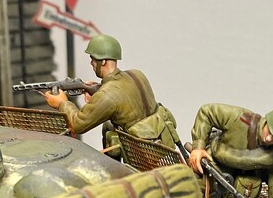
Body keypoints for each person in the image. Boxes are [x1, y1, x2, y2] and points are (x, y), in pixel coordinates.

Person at [44, 34, 178, 149]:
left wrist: (62, 103)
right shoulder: (137, 74)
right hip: (163, 142)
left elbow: (77, 125)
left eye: (93, 59)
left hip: (142, 154)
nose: (91, 63)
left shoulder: (107, 95)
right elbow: (128, 99)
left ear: (102, 62)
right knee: (108, 126)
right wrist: (99, 89)